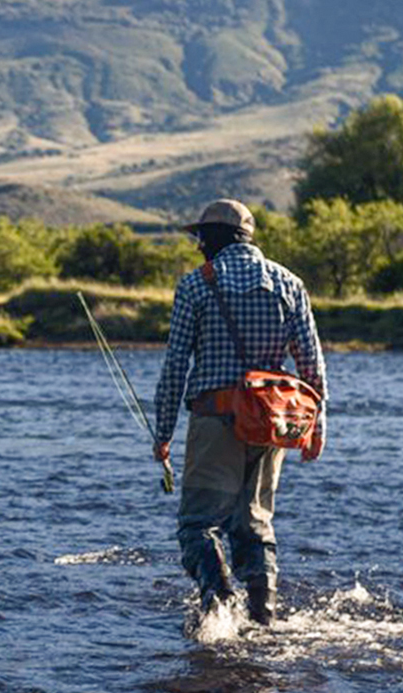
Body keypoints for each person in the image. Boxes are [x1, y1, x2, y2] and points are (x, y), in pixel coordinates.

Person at [151, 199, 327, 626]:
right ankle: (263, 620)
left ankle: (219, 607)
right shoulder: (290, 283)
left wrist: (163, 432)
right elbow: (312, 364)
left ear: (215, 238)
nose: (197, 247)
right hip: (274, 423)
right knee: (255, 525)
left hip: (216, 418)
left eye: (200, 238)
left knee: (197, 525)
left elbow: (176, 365)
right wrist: (317, 428)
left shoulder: (195, 285)